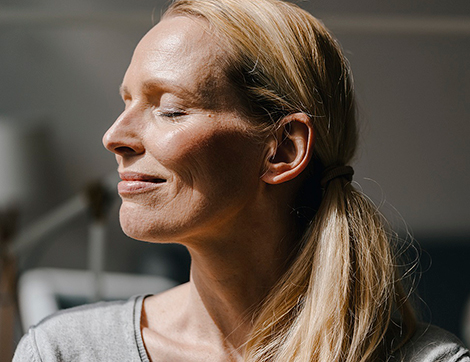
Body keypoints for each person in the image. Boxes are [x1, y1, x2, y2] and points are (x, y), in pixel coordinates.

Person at [13, 0, 470, 361]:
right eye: (126, 102)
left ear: (283, 149)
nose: (114, 137)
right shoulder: (65, 352)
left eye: (169, 109)